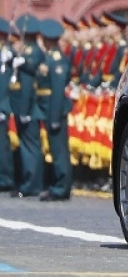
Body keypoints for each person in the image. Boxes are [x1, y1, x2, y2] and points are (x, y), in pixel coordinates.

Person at [37, 18, 73, 202]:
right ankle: (59, 185)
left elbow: (58, 91)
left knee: (59, 152)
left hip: (55, 110)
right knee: (55, 149)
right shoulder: (50, 57)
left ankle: (61, 188)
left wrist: (54, 117)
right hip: (48, 108)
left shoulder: (57, 59)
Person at [9, 14, 44, 198]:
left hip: (29, 106)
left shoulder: (32, 51)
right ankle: (28, 182)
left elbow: (29, 84)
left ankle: (31, 184)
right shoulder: (26, 50)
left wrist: (25, 108)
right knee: (26, 145)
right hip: (24, 105)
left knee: (30, 146)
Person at [0, 17, 15, 192]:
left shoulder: (8, 56)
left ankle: (6, 178)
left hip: (4, 106)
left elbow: (5, 86)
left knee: (3, 146)